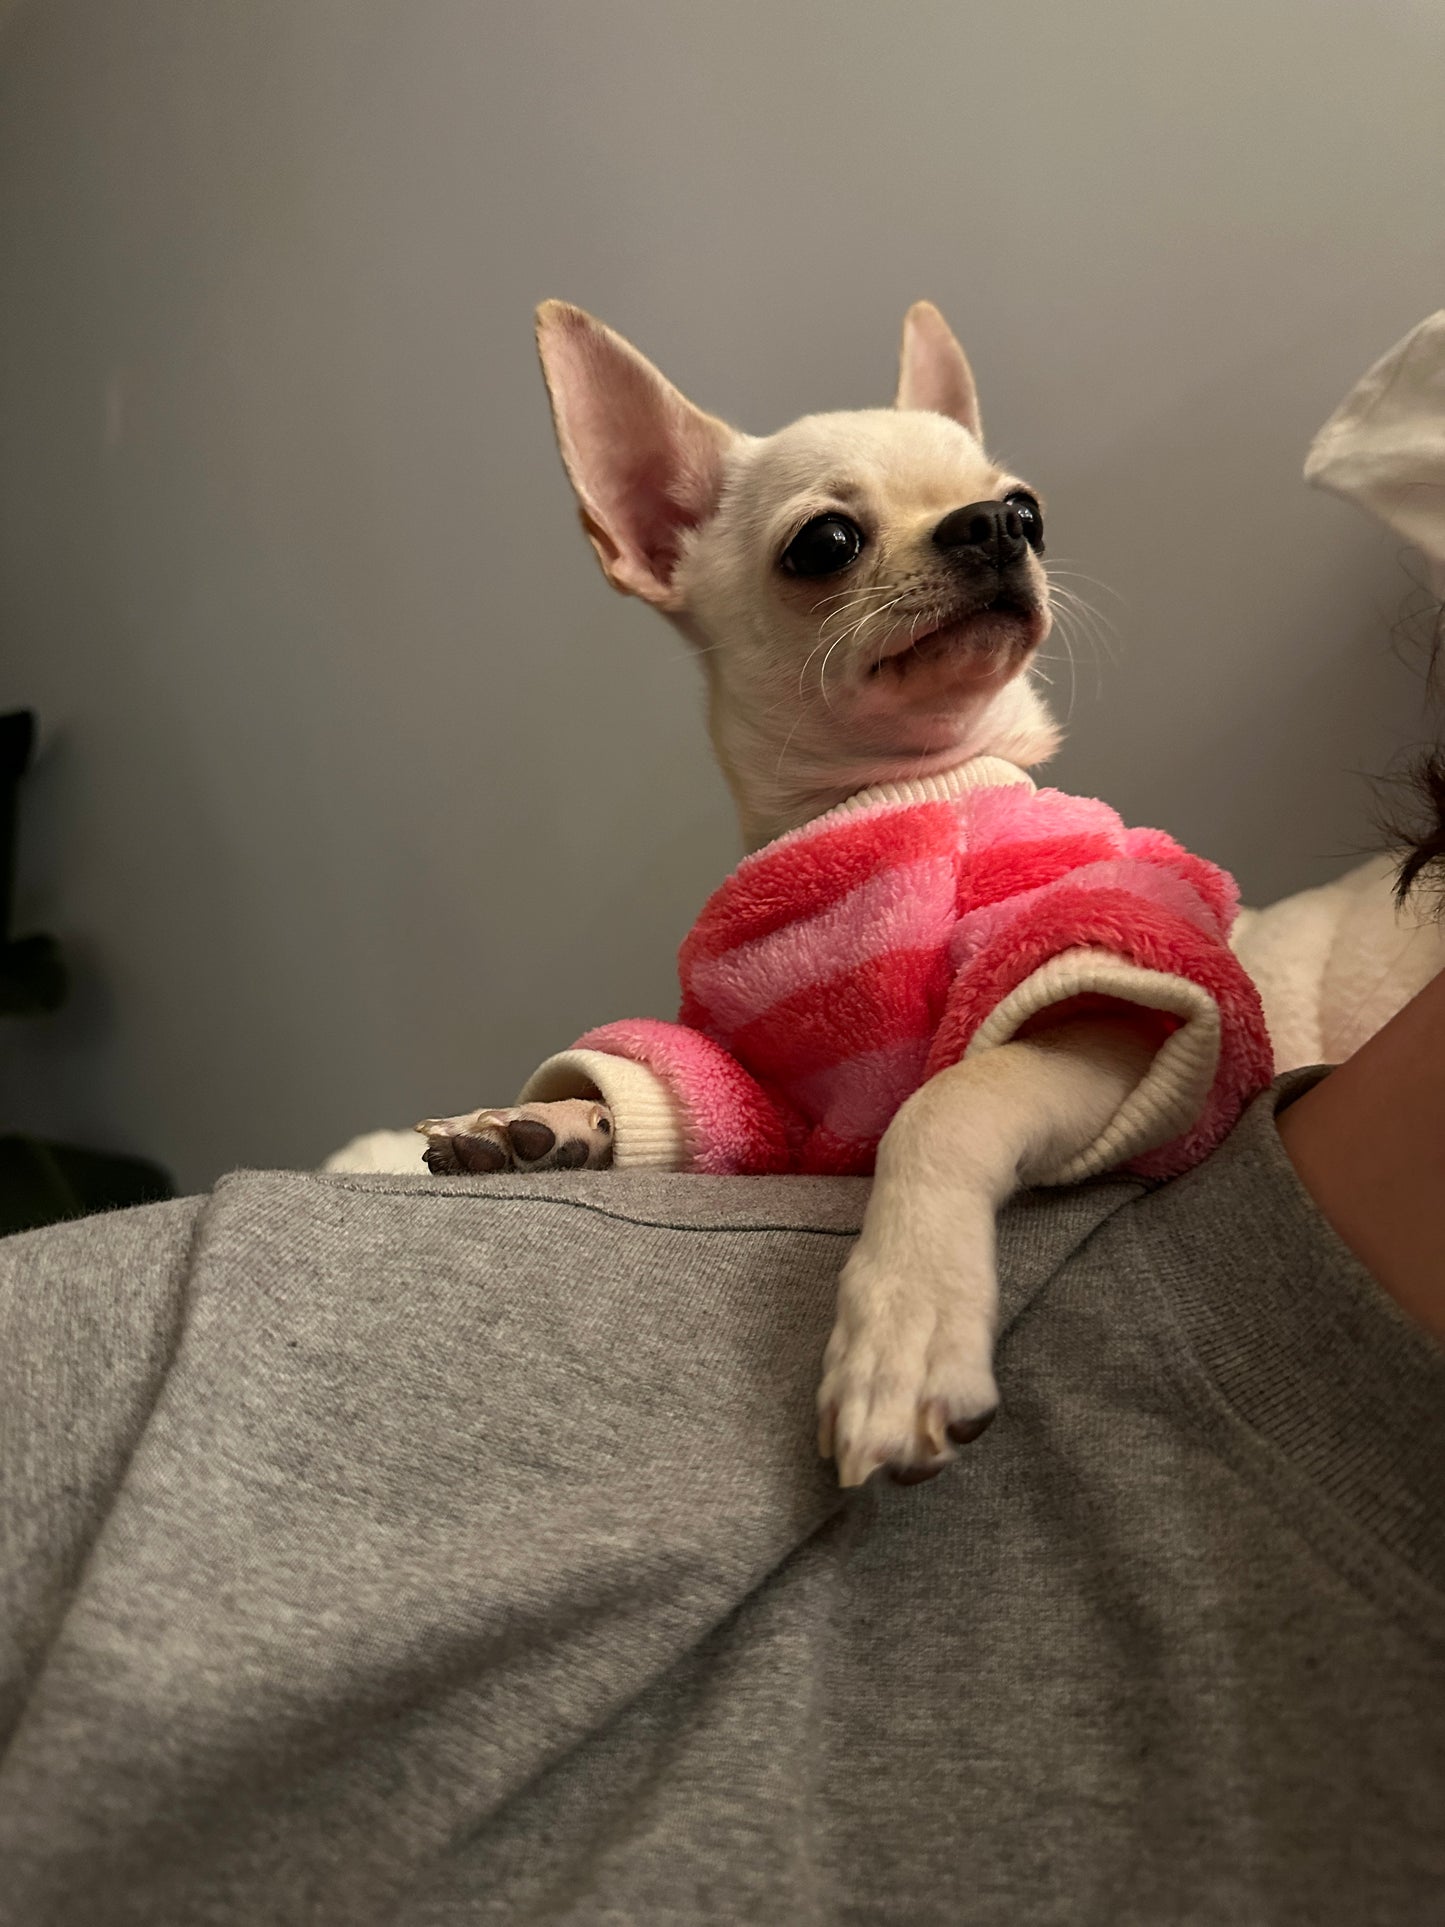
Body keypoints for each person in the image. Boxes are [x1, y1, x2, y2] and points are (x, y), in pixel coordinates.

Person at [0, 327, 1441, 1926]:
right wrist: (585, 1117)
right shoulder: (776, 932)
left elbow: (1124, 1013)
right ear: (653, 538)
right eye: (832, 546)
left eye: (1003, 514)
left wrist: (942, 1161)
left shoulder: (1052, 857)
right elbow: (754, 1091)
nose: (978, 545)